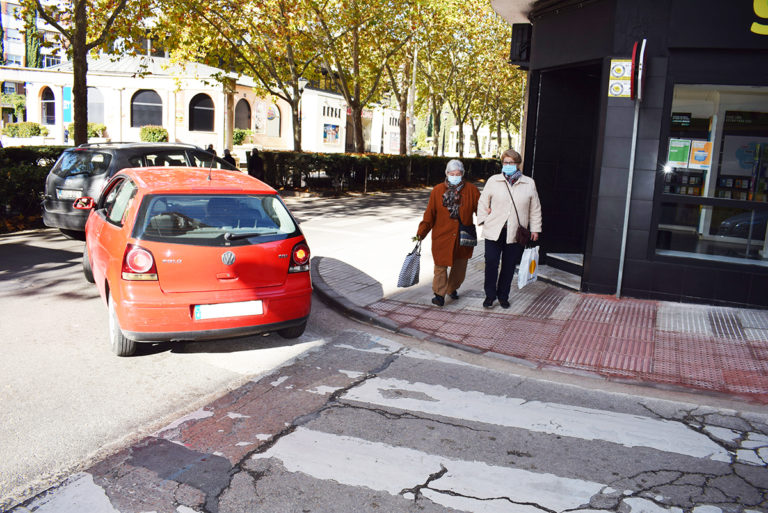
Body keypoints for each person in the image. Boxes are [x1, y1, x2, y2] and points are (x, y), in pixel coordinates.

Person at [477, 149, 542, 309]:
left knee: (509, 265)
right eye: (505, 162)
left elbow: (535, 208)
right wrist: (484, 219)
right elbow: (483, 202)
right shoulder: (494, 180)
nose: (508, 165)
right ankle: (490, 295)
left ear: (517, 164)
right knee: (491, 262)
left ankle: (503, 296)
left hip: (515, 232)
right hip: (494, 230)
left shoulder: (529, 183)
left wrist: (535, 229)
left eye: (511, 163)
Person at [416, 159, 480, 307]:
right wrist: (421, 232)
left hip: (463, 236)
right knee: (440, 266)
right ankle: (439, 295)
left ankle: (451, 288)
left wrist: (491, 220)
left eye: (458, 173)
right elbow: (429, 214)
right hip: (442, 235)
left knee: (460, 267)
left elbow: (481, 211)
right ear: (447, 174)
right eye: (452, 173)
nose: (455, 176)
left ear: (462, 174)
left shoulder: (471, 190)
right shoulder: (438, 190)